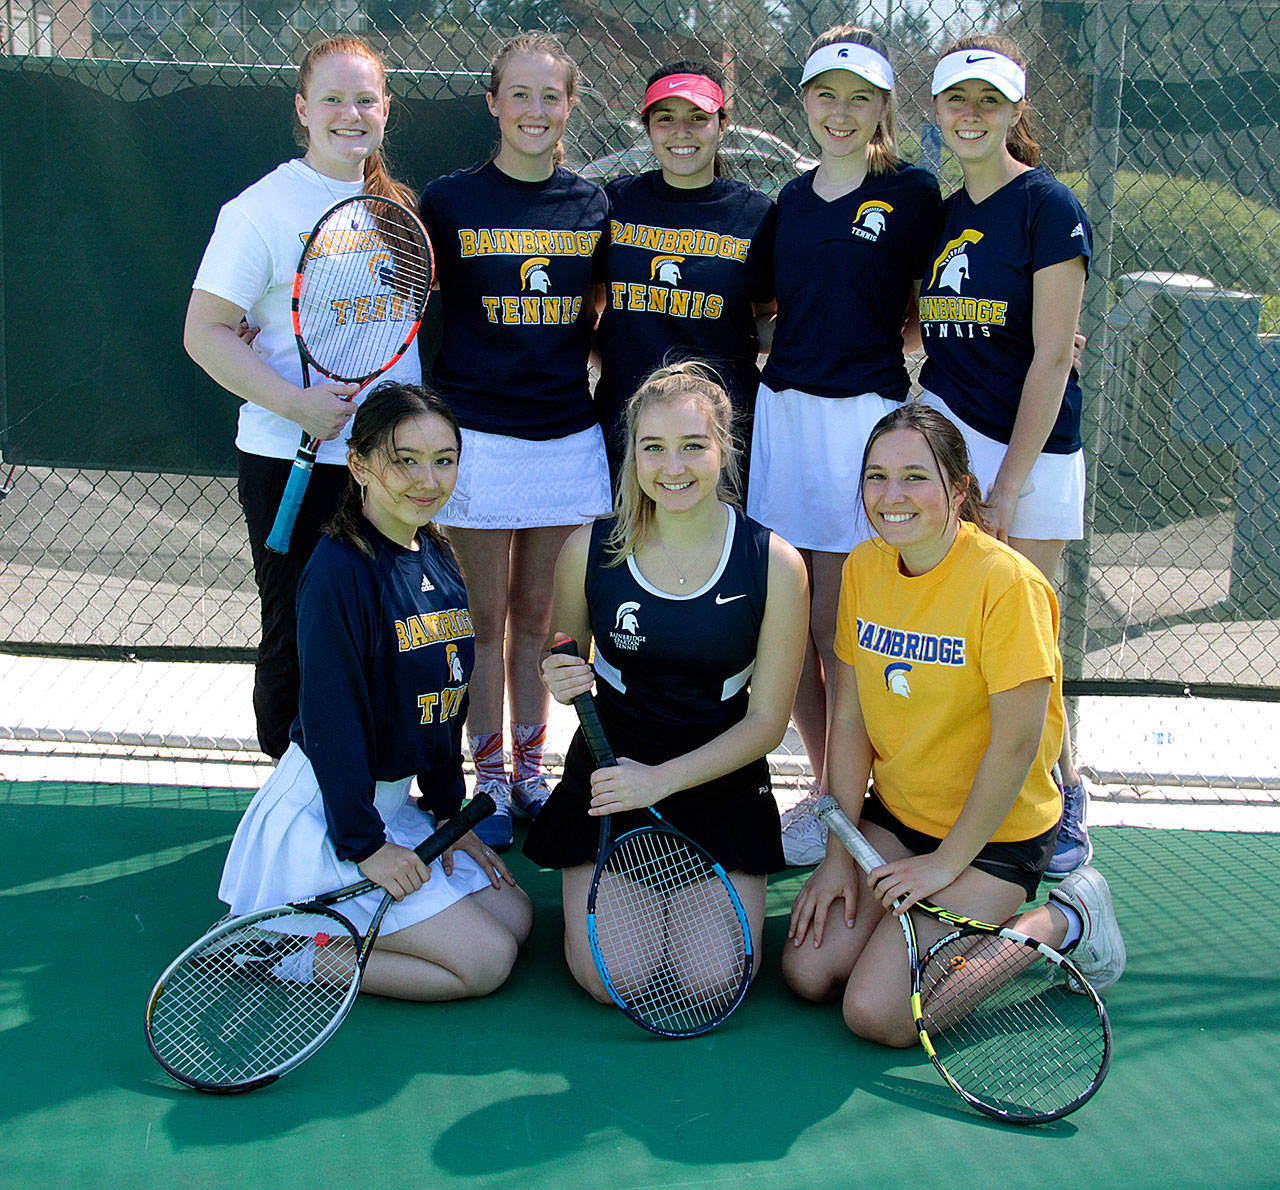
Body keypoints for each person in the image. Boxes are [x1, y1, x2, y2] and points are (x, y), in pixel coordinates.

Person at [782, 404, 1124, 1042]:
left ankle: (1064, 918)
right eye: (876, 477)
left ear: (959, 489)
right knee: (807, 971)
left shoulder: (1008, 585)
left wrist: (944, 866)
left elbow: (1017, 745)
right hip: (899, 817)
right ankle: (913, 927)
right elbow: (849, 720)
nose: (892, 496)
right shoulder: (863, 568)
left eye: (915, 476)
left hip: (993, 838)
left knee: (879, 1014)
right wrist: (837, 854)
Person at [219, 383, 532, 1000]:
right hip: (335, 815)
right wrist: (365, 848)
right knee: (486, 963)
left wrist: (448, 814)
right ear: (359, 466)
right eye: (404, 459)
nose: (428, 478)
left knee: (515, 917)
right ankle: (276, 953)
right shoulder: (338, 572)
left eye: (444, 459)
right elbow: (331, 725)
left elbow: (446, 701)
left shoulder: (435, 552)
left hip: (392, 810)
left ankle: (318, 932)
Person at [524, 362, 808, 1004]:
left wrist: (661, 780)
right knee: (613, 980)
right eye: (653, 447)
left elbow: (766, 725)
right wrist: (560, 673)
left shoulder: (775, 563)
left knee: (711, 982)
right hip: (613, 777)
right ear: (632, 454)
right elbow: (562, 655)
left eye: (692, 446)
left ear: (724, 447)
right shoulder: (588, 551)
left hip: (720, 783)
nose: (671, 466)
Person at [184, 35, 421, 760]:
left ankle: (371, 791)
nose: (350, 113)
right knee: (299, 630)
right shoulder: (259, 209)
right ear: (303, 109)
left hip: (391, 469)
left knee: (387, 632)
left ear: (385, 110)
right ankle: (291, 789)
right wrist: (296, 404)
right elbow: (205, 332)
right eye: (332, 99)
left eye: (365, 99)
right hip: (293, 460)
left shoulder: (398, 208)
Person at [744, 26, 943, 864]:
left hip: (864, 421)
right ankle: (826, 790)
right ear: (805, 102)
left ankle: (852, 791)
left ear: (884, 109)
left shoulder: (914, 193)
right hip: (785, 418)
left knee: (841, 625)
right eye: (826, 94)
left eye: (860, 97)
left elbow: (953, 293)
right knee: (789, 623)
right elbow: (757, 306)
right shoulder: (787, 200)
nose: (841, 111)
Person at [417, 32, 612, 849]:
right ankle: (488, 778)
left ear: (570, 107)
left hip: (567, 438)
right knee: (484, 618)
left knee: (542, 619)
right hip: (480, 442)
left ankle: (532, 771)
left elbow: (602, 316)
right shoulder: (450, 200)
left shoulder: (594, 206)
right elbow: (409, 304)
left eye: (551, 96)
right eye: (519, 95)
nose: (536, 111)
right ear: (493, 103)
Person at [917, 35, 1094, 878]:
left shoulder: (1049, 207)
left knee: (1032, 645)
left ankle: (1061, 804)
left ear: (1016, 111)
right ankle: (973, 803)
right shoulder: (946, 215)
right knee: (967, 636)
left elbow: (1054, 358)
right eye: (958, 101)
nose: (972, 116)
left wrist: (1008, 484)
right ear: (938, 110)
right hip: (957, 445)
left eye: (990, 101)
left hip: (1032, 453)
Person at [594, 58, 777, 491]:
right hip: (630, 426)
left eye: (698, 118)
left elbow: (767, 312)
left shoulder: (756, 214)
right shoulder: (614, 203)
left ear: (722, 123)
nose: (682, 132)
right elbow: (593, 306)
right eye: (666, 119)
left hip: (717, 432)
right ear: (648, 126)